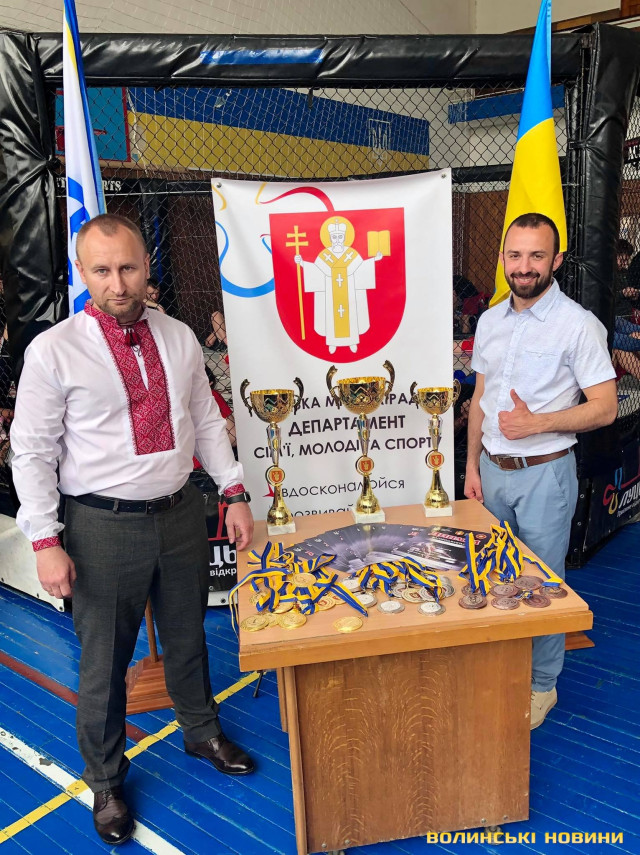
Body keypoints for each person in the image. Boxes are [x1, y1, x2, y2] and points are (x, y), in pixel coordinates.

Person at [10, 213, 255, 845]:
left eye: (127, 268)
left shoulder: (179, 336)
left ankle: (201, 732)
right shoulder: (54, 350)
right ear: (82, 272)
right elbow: (32, 452)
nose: (117, 284)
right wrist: (45, 541)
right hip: (101, 525)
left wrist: (233, 490)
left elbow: (205, 419)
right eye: (101, 270)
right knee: (104, 660)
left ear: (148, 267)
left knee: (188, 636)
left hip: (180, 513)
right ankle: (106, 780)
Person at [464, 212, 617, 730]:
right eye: (515, 255)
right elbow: (480, 399)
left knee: (540, 584)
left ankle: (541, 685)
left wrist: (538, 423)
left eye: (536, 255)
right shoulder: (490, 321)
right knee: (489, 576)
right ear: (502, 258)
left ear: (556, 260)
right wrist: (471, 465)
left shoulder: (578, 324)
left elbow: (606, 407)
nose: (524, 266)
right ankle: (499, 667)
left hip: (545, 474)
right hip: (491, 471)